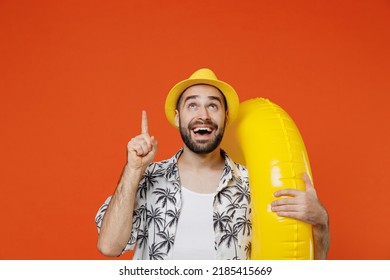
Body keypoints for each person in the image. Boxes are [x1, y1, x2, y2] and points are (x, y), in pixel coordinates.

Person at [95, 68, 330, 260]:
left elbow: (304, 268)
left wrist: (320, 222)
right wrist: (134, 169)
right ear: (178, 117)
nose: (204, 115)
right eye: (193, 105)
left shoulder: (255, 184)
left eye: (213, 106)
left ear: (225, 118)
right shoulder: (148, 178)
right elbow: (109, 246)